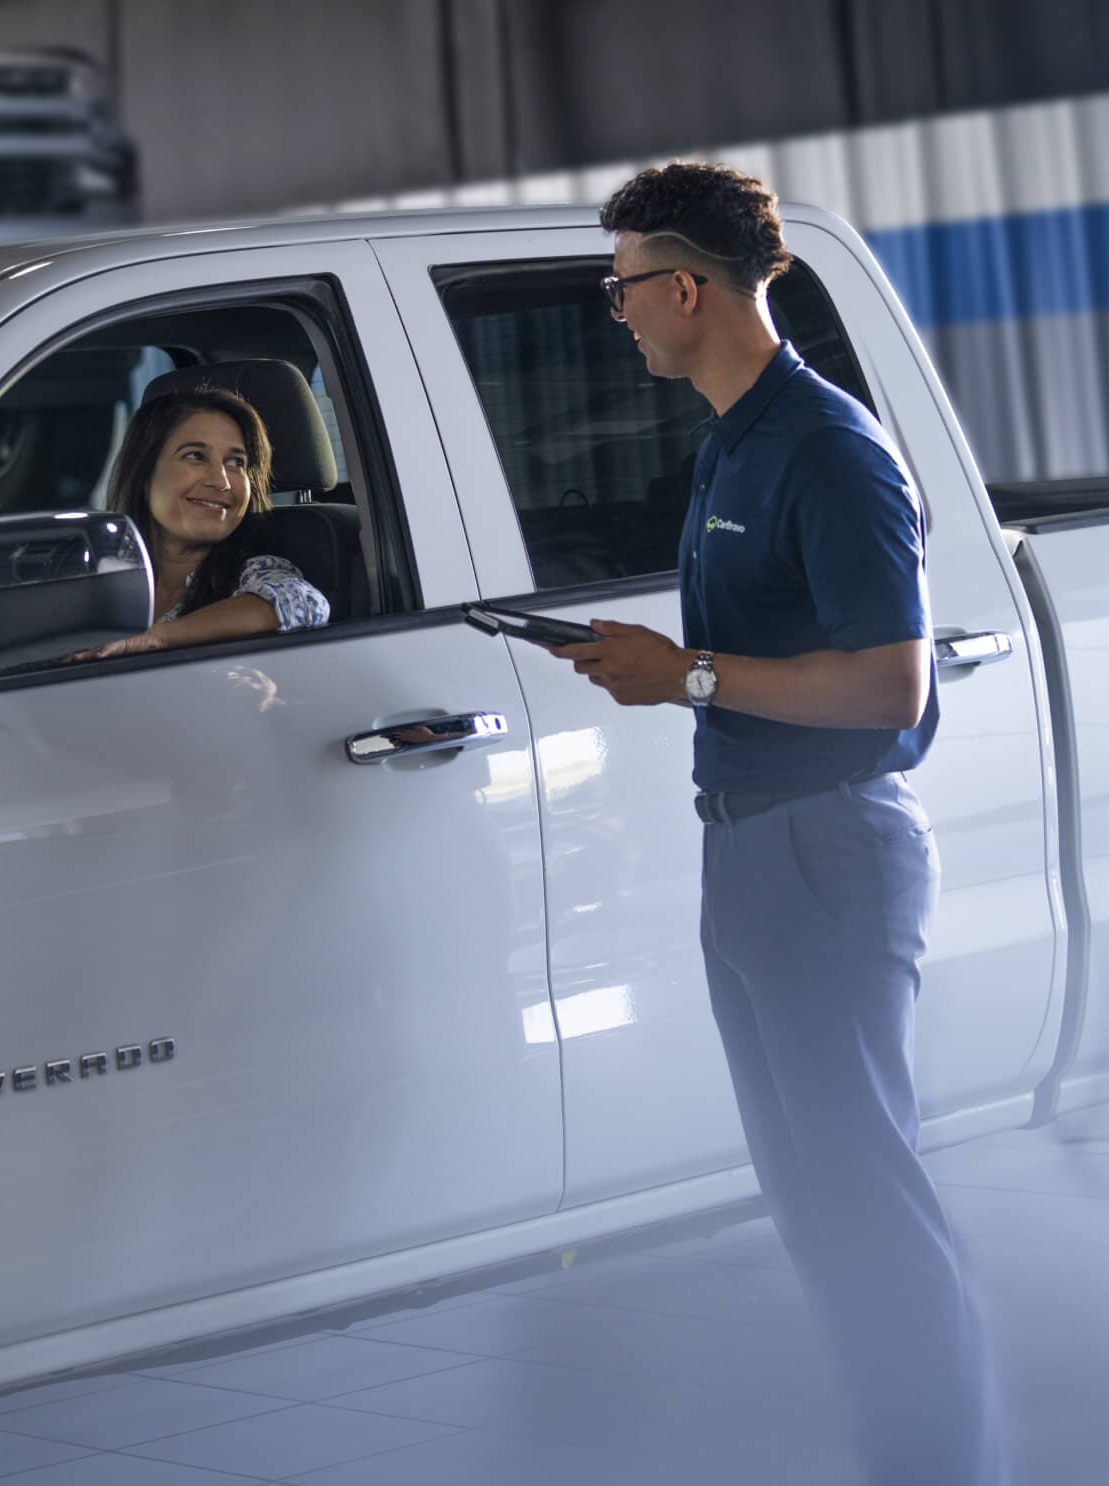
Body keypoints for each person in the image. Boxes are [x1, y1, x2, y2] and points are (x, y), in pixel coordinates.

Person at [553, 161, 1006, 1485]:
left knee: (864, 1194)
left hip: (827, 848)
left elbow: (889, 682)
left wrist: (682, 673)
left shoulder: (826, 448)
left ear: (685, 286)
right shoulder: (734, 437)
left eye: (623, 284)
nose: (617, 309)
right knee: (814, 1205)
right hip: (748, 845)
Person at [72, 389, 329, 660]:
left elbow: (303, 603)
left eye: (235, 462)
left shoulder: (252, 574)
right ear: (145, 474)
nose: (221, 481)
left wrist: (154, 638)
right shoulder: (97, 572)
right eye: (195, 456)